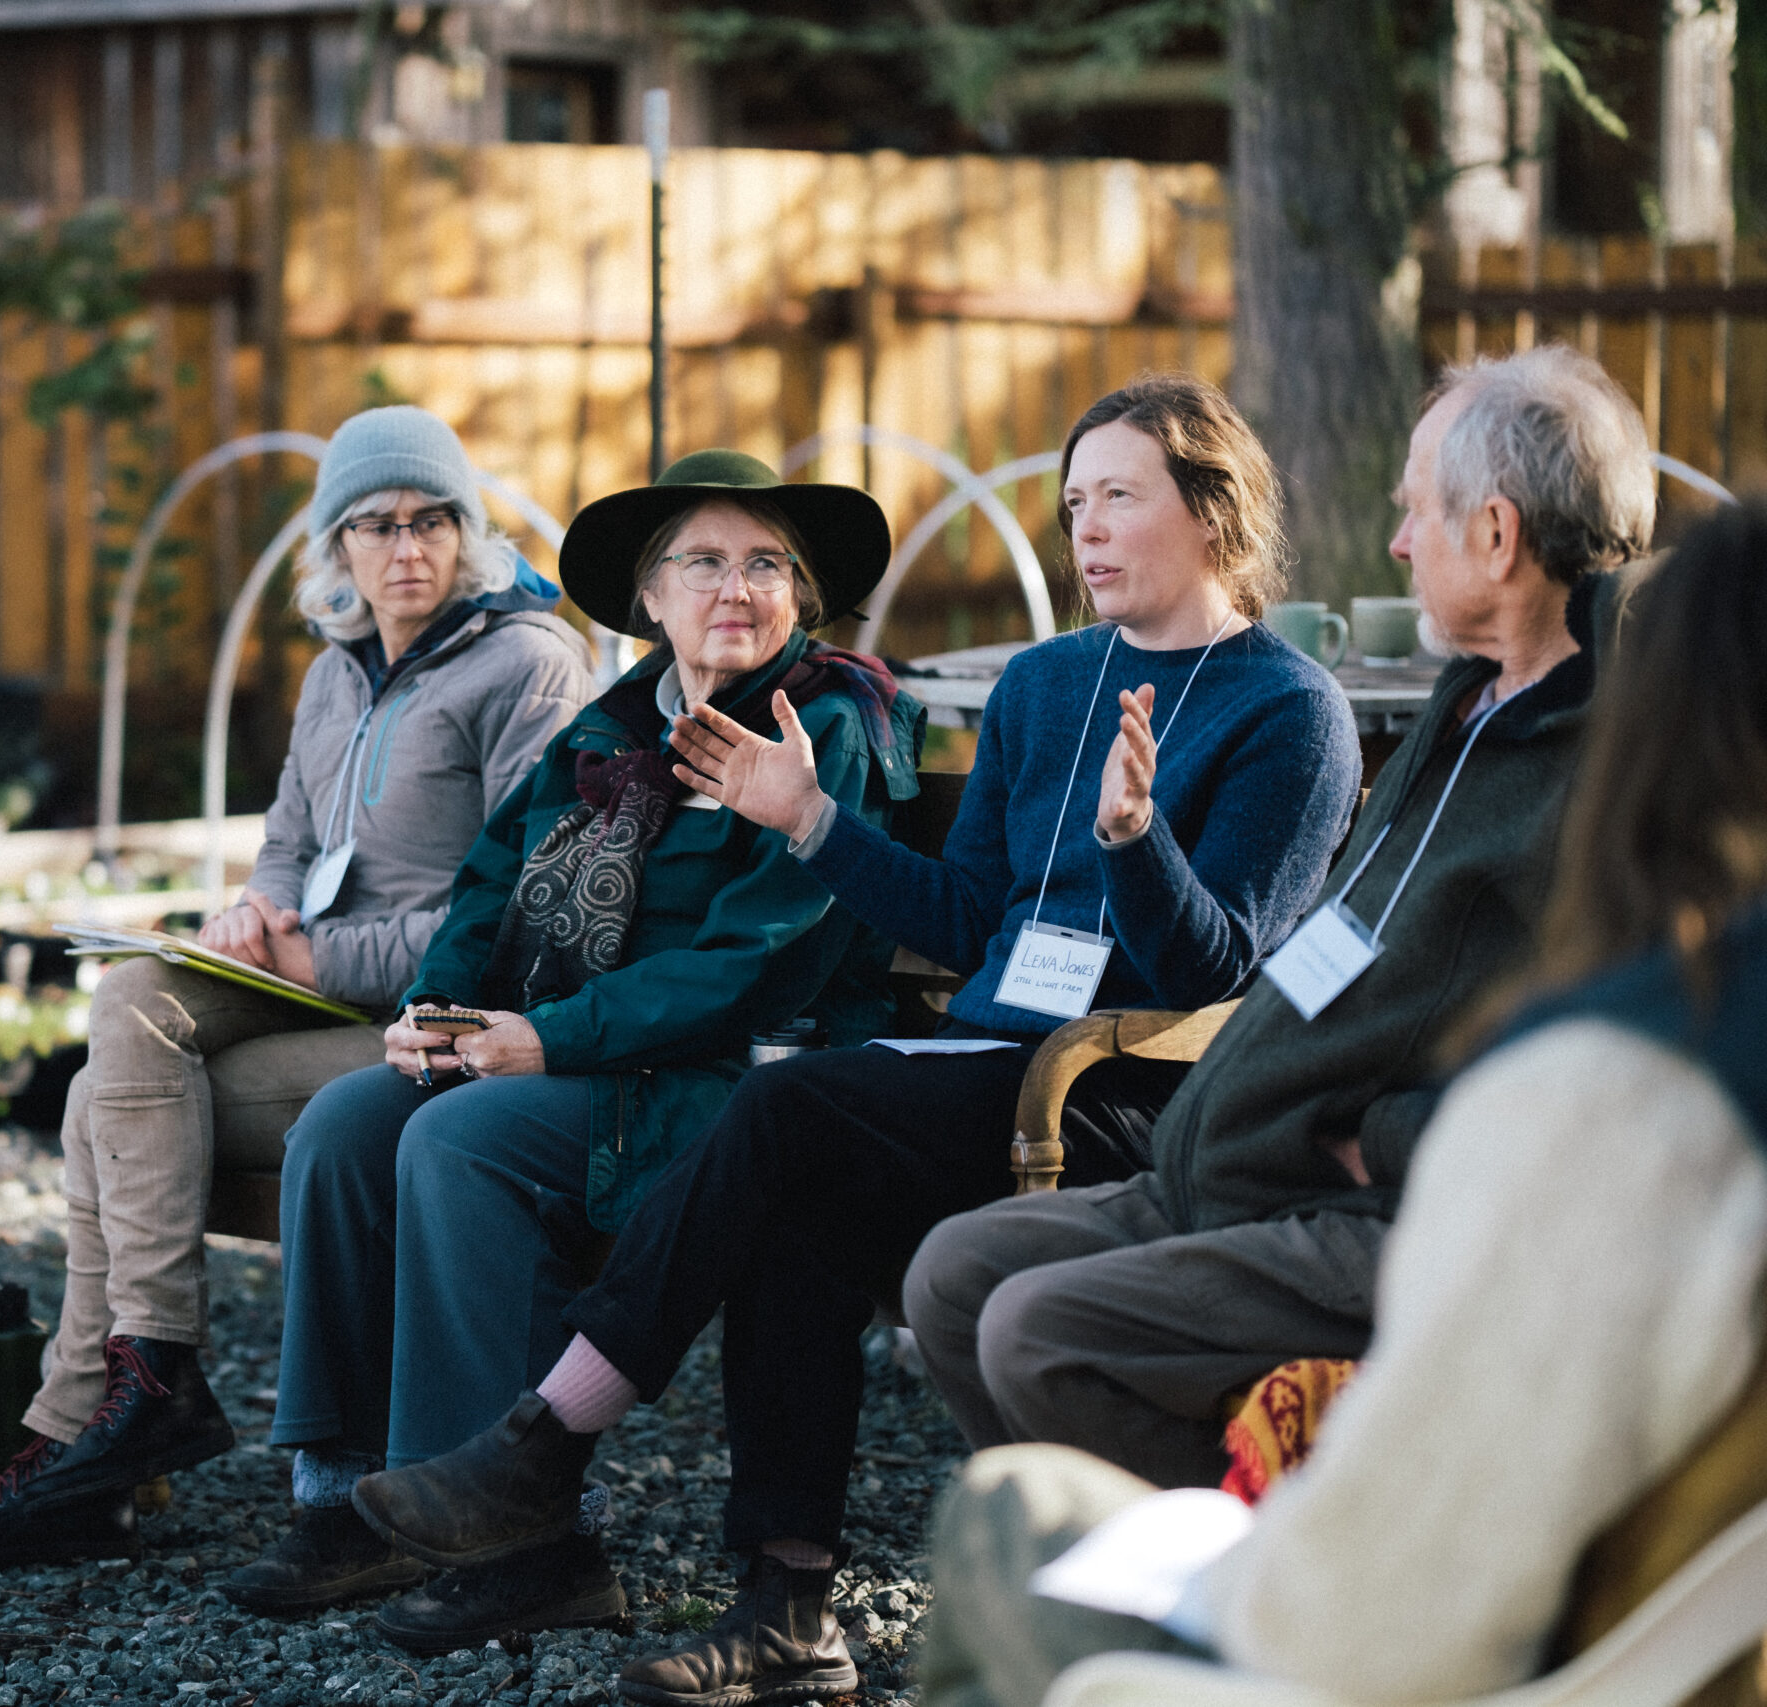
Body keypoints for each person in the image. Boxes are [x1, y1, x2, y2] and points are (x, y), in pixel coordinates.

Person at [351, 374, 1362, 1705]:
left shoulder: (1288, 709)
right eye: (1073, 503)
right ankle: (782, 1605)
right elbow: (967, 914)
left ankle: (547, 1440)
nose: (1087, 530)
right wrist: (809, 819)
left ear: (1213, 510)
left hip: (1127, 1085)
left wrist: (1136, 843)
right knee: (795, 1176)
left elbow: (1219, 972)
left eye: (1120, 495)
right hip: (988, 1058)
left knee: (784, 1115)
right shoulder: (1051, 681)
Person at [919, 496, 1767, 1707]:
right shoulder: (1466, 739)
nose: (1390, 534)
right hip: (1638, 1615)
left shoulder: (1632, 1093)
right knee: (970, 1283)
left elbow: (1397, 1602)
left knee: (1013, 1516)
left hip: (1437, 1658)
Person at [901, 341, 1656, 1493]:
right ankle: (1153, 1582)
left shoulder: (1600, 774)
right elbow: (1333, 953)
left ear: (1495, 537)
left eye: (1415, 513)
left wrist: (1381, 1140)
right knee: (955, 1276)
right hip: (1232, 1148)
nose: (1397, 543)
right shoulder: (1464, 714)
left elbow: (1612, 1063)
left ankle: (1239, 1599)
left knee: (1036, 1332)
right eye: (1075, 504)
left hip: (1387, 1206)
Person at [221, 450, 927, 1647]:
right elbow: (488, 888)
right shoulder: (610, 727)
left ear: (802, 596)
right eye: (702, 562)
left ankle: (523, 1542)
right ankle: (355, 1504)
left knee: (465, 1142)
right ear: (650, 596)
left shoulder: (827, 735)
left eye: (766, 565)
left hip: (734, 1090)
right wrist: (438, 1013)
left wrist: (541, 1040)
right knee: (345, 1125)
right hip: (589, 1060)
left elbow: (753, 970)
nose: (735, 589)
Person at [0, 405, 593, 1565]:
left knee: (84, 1107)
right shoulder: (336, 670)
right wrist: (252, 915)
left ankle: (92, 1427)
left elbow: (516, 913)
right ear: (339, 548)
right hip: (313, 982)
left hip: (440, 1021)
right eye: (375, 525)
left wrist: (325, 954)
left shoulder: (527, 666)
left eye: (431, 520)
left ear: (468, 533)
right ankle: (143, 1382)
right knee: (133, 999)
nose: (405, 547)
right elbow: (289, 841)